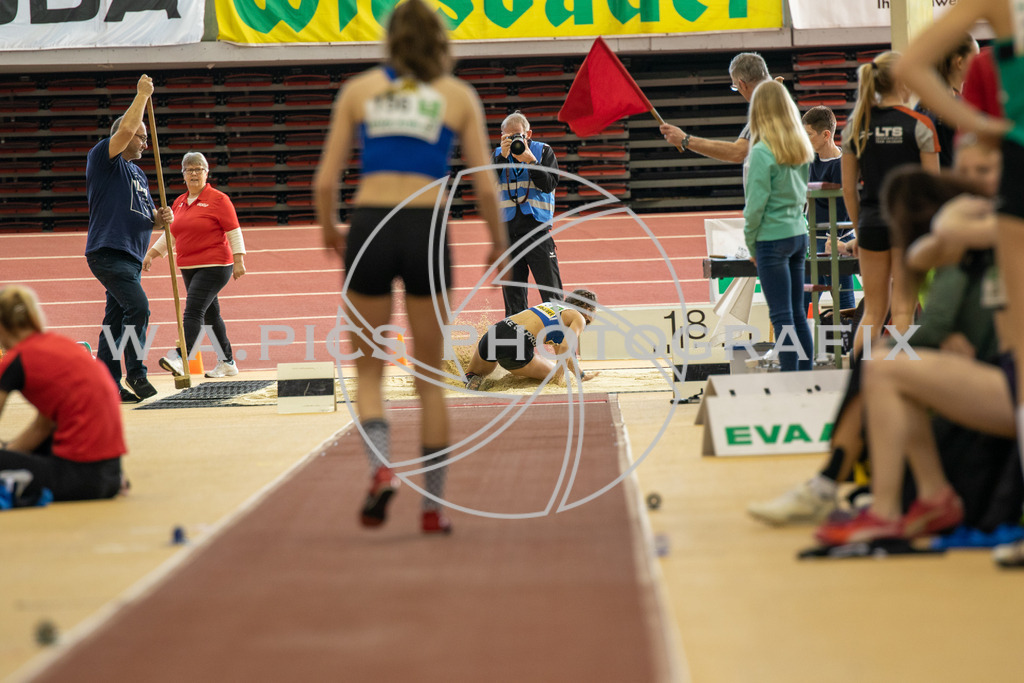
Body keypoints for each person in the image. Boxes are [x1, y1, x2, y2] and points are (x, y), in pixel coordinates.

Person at [313, 0, 507, 535]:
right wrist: (500, 241)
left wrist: (330, 228)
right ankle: (433, 508)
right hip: (426, 227)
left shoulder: (360, 90)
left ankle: (381, 472)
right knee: (429, 379)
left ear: (390, 39)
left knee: (369, 369)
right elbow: (485, 183)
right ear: (440, 41)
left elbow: (326, 180)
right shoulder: (456, 96)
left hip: (371, 225)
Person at [893, 0, 1021, 566]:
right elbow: (913, 66)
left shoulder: (1003, 32)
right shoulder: (1002, 40)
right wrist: (988, 126)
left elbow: (912, 65)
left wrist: (987, 127)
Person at [841, 51, 940, 360]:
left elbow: (848, 188)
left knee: (872, 311)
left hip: (871, 224)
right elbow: (931, 187)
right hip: (907, 226)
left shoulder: (857, 125)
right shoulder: (920, 124)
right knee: (902, 311)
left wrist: (860, 231)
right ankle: (901, 383)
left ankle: (857, 387)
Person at [85, 74, 173, 404]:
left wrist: (159, 218)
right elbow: (124, 130)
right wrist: (142, 96)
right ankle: (136, 372)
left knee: (114, 323)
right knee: (138, 308)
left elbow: (144, 214)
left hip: (132, 258)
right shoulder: (103, 160)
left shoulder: (138, 174)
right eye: (141, 137)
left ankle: (105, 383)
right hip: (109, 252)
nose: (145, 143)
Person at [0, 286, 127, 506]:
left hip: (76, 478)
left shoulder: (17, 359)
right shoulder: (61, 345)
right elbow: (43, 426)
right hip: (110, 476)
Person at [143, 152, 246, 379]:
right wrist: (151, 254)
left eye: (199, 169)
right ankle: (227, 362)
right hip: (189, 267)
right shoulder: (179, 202)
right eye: (189, 170)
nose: (194, 173)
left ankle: (181, 358)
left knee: (193, 311)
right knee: (211, 315)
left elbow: (233, 230)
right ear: (183, 175)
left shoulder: (219, 199)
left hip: (216, 265)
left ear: (207, 172)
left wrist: (239, 260)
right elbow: (172, 234)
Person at [743, 80, 814, 372]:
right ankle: (806, 377)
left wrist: (750, 243)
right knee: (798, 313)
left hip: (772, 238)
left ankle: (789, 380)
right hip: (798, 232)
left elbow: (755, 205)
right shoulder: (800, 147)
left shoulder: (761, 151)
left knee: (781, 314)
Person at [494, 111, 562, 317]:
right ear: (502, 137)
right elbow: (486, 187)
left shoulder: (543, 152)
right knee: (514, 301)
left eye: (518, 136)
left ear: (528, 134)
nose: (514, 140)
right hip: (508, 232)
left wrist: (532, 161)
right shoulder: (498, 155)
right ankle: (519, 349)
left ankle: (565, 346)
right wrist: (501, 158)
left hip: (537, 231)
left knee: (552, 295)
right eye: (508, 136)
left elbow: (550, 184)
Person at [464, 289, 598, 389]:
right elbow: (564, 347)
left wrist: (581, 375)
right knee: (552, 374)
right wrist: (558, 379)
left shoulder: (552, 307)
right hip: (516, 345)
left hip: (497, 331)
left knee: (474, 374)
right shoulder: (579, 318)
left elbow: (563, 352)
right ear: (588, 309)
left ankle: (472, 379)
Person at [660, 52, 775, 164]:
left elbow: (737, 152)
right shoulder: (784, 104)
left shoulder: (768, 111)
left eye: (735, 87)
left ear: (742, 84)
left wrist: (685, 140)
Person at [802, 105, 855, 311]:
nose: (805, 140)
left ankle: (849, 342)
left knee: (844, 302)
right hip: (814, 240)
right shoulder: (810, 159)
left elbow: (845, 208)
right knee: (801, 300)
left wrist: (838, 239)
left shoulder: (842, 165)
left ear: (826, 135)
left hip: (836, 240)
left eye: (809, 135)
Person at [914, 33, 980, 168]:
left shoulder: (922, 104)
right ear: (960, 62)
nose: (979, 65)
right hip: (953, 184)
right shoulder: (959, 107)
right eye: (975, 59)